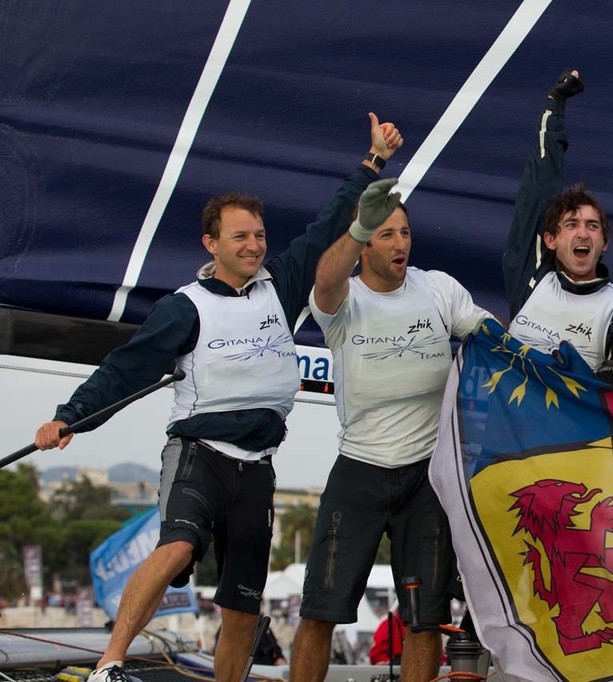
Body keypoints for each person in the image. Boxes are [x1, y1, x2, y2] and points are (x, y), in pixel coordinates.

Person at [33, 113, 403, 682]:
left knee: (242, 611)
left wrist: (372, 161)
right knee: (180, 546)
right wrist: (70, 417)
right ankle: (109, 665)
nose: (254, 245)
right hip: (199, 455)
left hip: (256, 470)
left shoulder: (281, 284)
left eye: (258, 235)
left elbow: (330, 221)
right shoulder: (184, 306)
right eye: (240, 237)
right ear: (212, 243)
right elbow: (126, 369)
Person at [289, 178, 492, 682]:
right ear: (364, 245)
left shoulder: (439, 288)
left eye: (405, 232)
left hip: (427, 476)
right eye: (386, 235)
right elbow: (324, 282)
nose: (400, 244)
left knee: (425, 620)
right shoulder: (346, 301)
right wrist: (358, 224)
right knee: (319, 613)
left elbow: (493, 338)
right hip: (358, 471)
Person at [503, 69, 613, 372]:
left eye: (592, 226)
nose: (582, 233)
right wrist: (554, 106)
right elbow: (538, 188)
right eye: (571, 225)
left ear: (604, 243)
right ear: (550, 240)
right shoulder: (532, 276)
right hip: (514, 418)